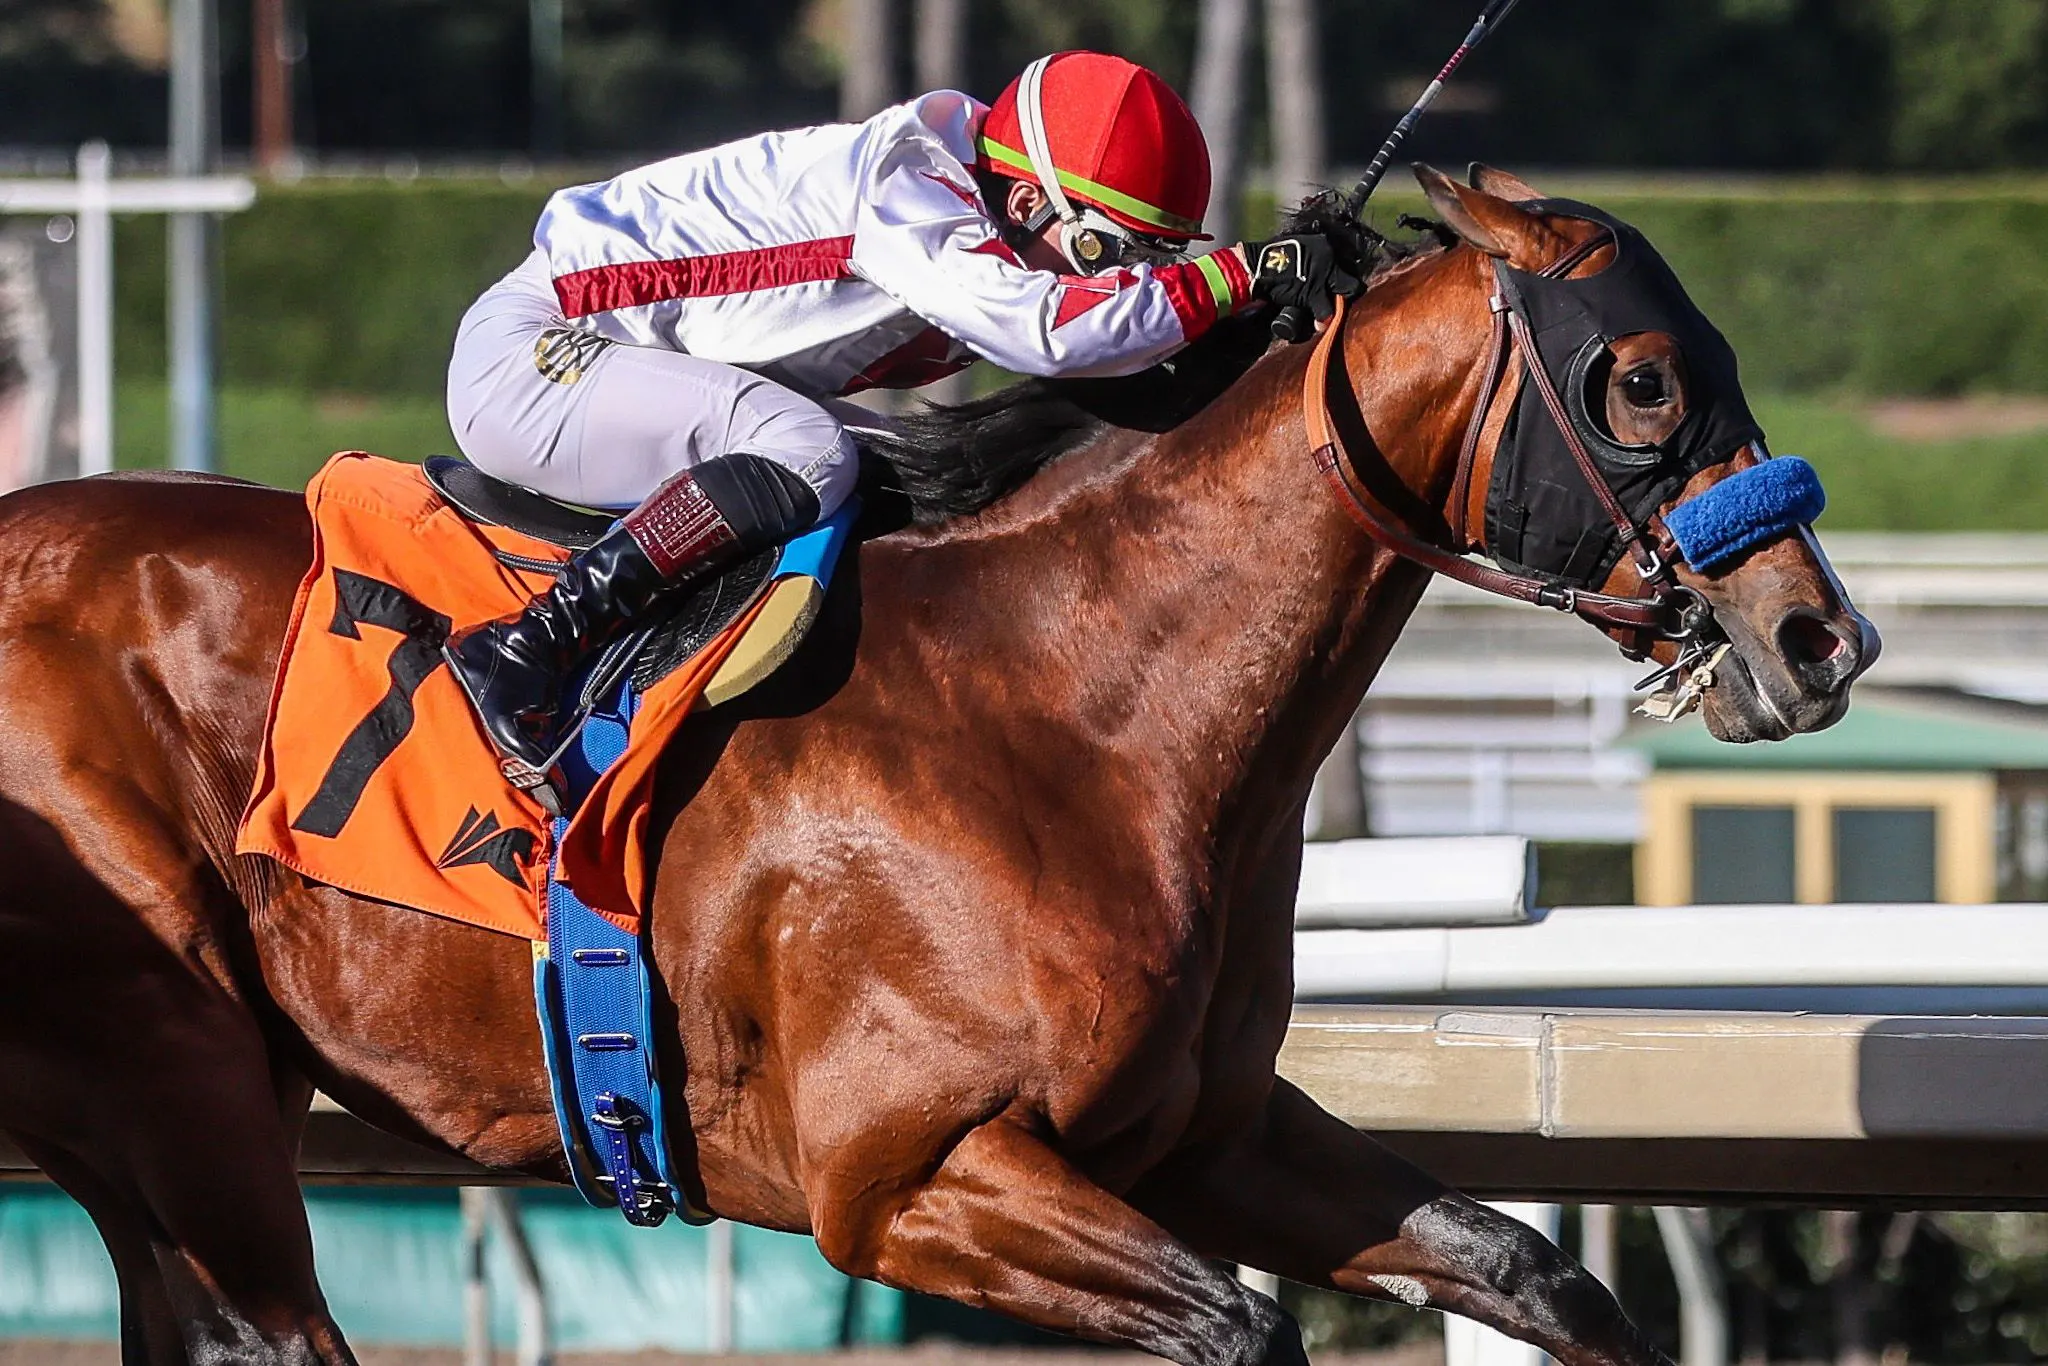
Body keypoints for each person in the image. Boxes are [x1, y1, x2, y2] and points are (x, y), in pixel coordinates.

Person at [442, 49, 1358, 790]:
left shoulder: (981, 199)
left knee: (926, 475)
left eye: (1150, 261)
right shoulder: (909, 187)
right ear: (1031, 201)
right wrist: (1242, 274)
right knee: (809, 454)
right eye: (1109, 253)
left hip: (636, 363)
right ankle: (526, 652)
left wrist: (1248, 323)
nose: (1117, 279)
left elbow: (1111, 355)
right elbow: (1053, 333)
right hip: (538, 359)